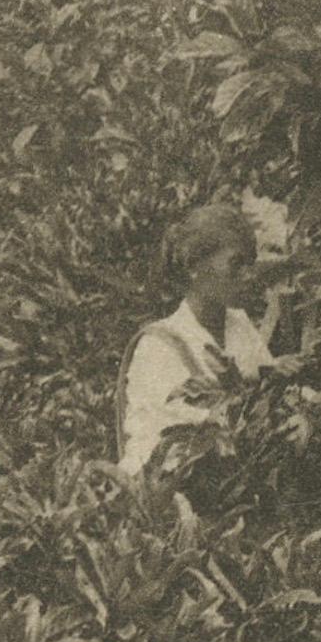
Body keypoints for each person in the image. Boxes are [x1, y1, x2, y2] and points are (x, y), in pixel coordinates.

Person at [119, 201, 276, 476]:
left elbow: (267, 398)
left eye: (250, 264)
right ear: (194, 266)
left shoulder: (239, 324)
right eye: (235, 264)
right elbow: (184, 441)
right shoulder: (159, 345)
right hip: (171, 493)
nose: (247, 275)